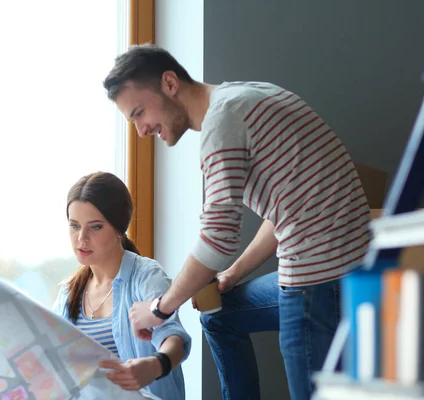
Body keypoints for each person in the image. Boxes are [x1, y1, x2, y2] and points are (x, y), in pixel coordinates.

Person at [103, 45, 371, 399]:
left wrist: (159, 308)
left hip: (318, 282)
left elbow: (217, 240)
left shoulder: (222, 123)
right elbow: (284, 214)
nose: (140, 130)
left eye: (139, 112)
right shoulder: (245, 96)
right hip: (350, 270)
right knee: (220, 315)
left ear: (169, 83)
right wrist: (233, 274)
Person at [52, 171, 191, 400]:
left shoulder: (146, 276)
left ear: (119, 229)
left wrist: (156, 365)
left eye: (95, 227)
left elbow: (173, 338)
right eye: (74, 226)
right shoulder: (68, 293)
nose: (81, 238)